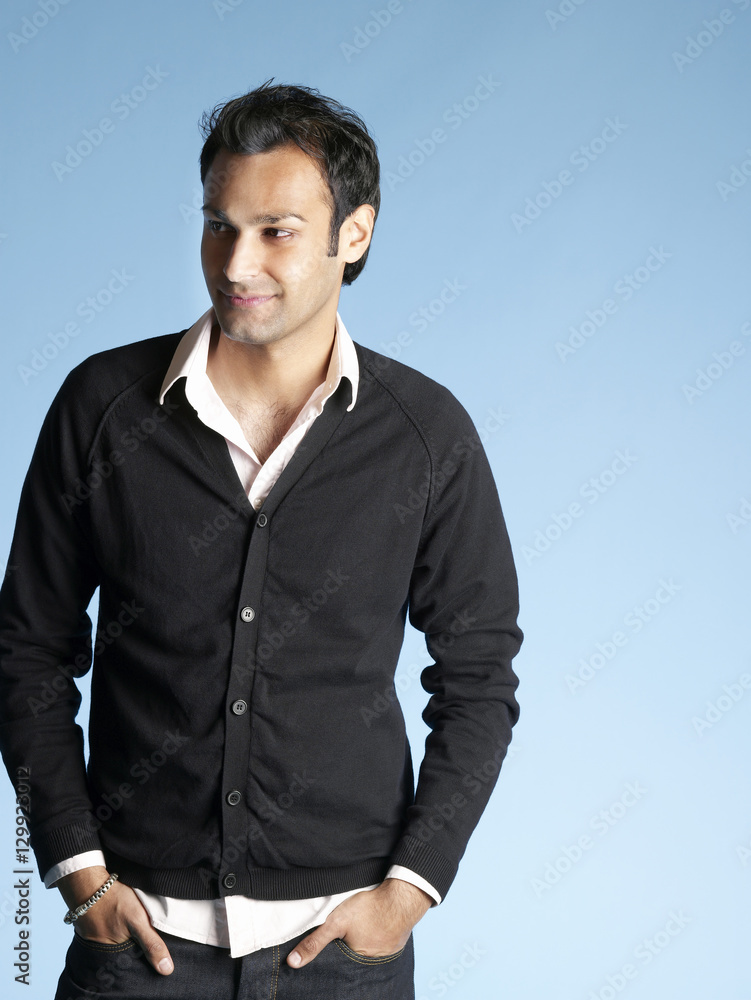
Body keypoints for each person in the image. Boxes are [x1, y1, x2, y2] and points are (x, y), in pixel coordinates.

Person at [0, 80, 523, 999]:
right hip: (137, 949)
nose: (236, 262)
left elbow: (477, 675)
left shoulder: (425, 434)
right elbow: (27, 655)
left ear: (351, 235)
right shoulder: (101, 408)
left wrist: (405, 896)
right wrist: (78, 873)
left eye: (276, 230)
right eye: (218, 224)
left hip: (341, 956)